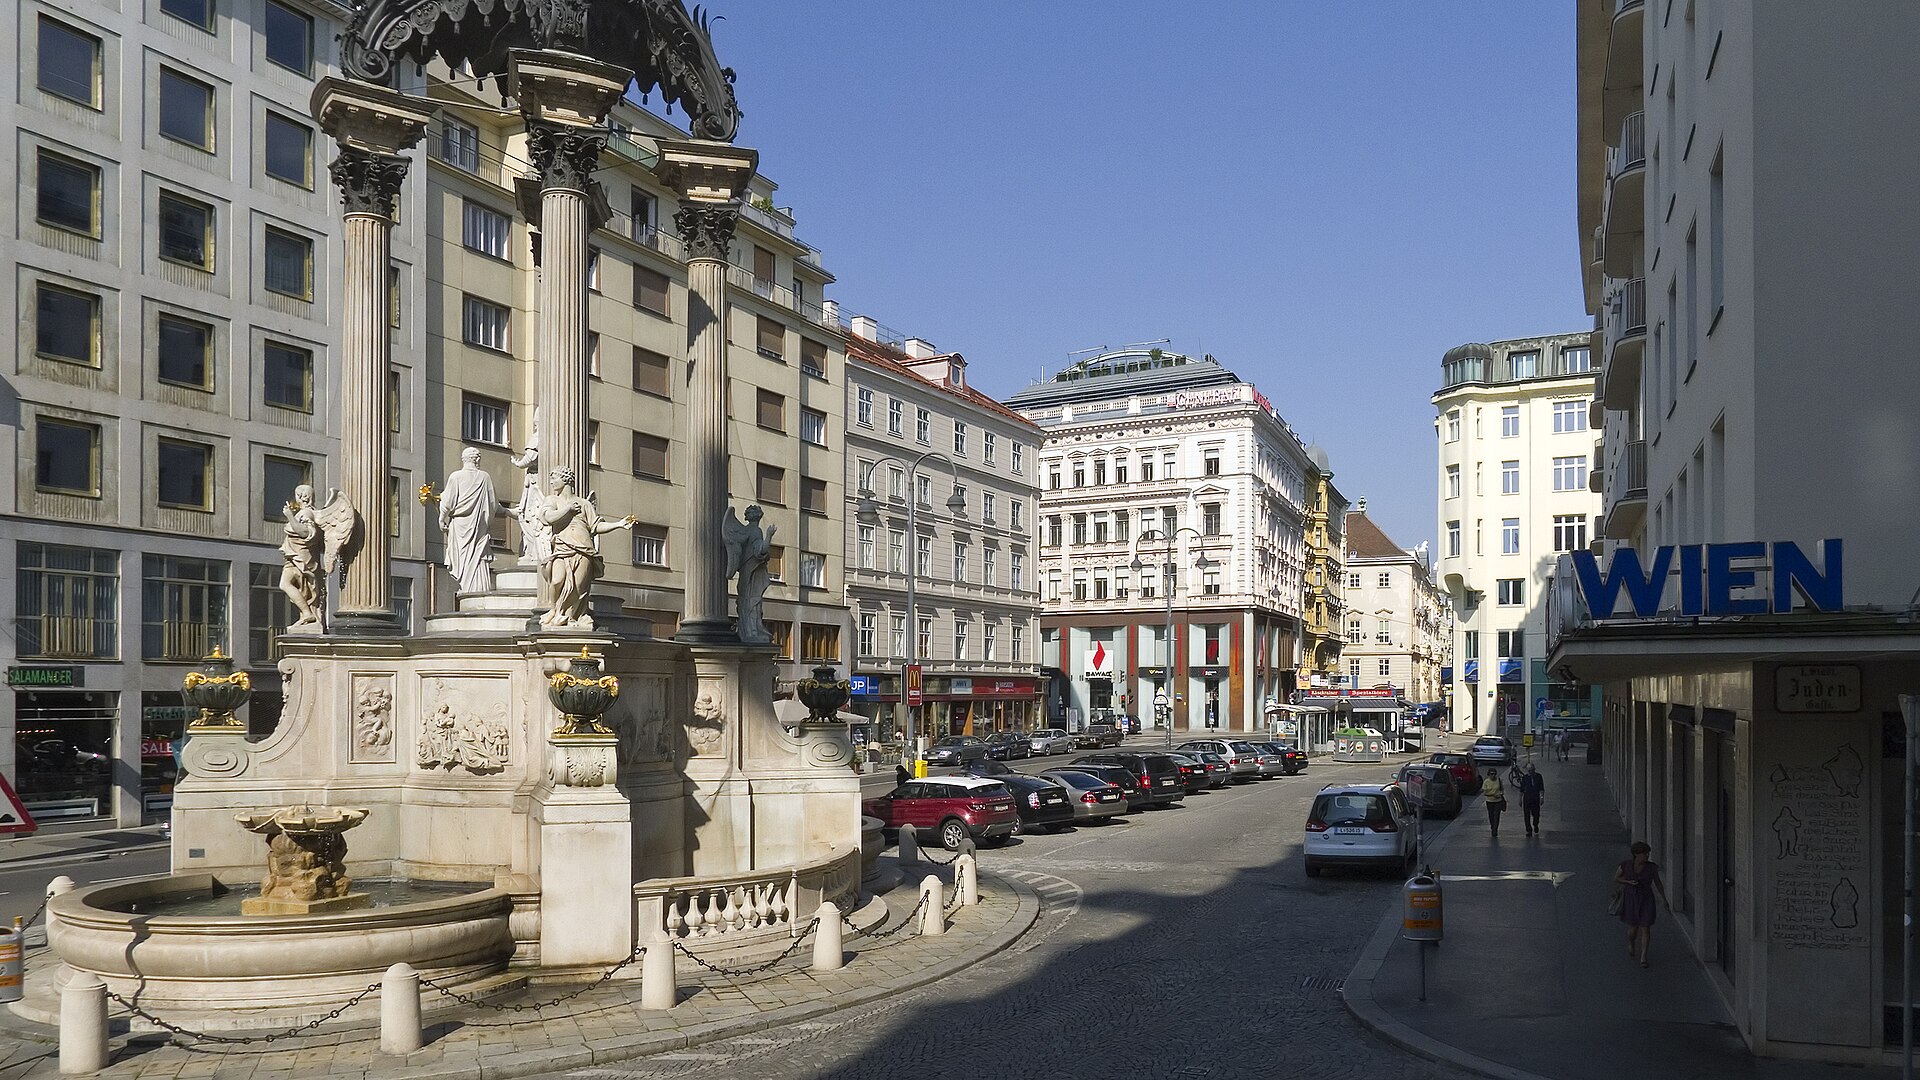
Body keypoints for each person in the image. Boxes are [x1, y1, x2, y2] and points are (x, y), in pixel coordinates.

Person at [439, 446, 499, 594]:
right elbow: (493, 504)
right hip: (479, 525)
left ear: (463, 459)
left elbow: (448, 502)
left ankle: (467, 589)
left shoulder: (456, 477)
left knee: (463, 559)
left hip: (460, 525)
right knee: (478, 556)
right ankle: (477, 589)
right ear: (477, 459)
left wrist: (441, 518)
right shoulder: (485, 477)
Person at [1615, 840, 1666, 967]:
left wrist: (1664, 899)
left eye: (1647, 853)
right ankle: (1631, 942)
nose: (1647, 856)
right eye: (1644, 853)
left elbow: (1658, 883)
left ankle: (1644, 956)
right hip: (1631, 899)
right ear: (1636, 854)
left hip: (1646, 899)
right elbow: (1617, 878)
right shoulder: (1626, 865)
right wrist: (1628, 882)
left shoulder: (1652, 868)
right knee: (1633, 929)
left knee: (1646, 927)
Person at [1515, 762, 1546, 836]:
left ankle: (1535, 824)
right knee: (1526, 815)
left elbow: (1541, 788)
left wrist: (1542, 797)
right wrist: (1520, 799)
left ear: (1534, 769)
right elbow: (1522, 789)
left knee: (1536, 814)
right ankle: (1528, 830)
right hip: (1527, 798)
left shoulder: (1538, 776)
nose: (1530, 772)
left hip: (1535, 798)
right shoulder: (1525, 778)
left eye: (1531, 770)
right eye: (1528, 770)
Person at [1481, 768, 1506, 839]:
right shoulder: (1486, 782)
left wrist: (1500, 794)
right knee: (1491, 815)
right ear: (1489, 774)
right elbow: (1484, 792)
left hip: (1498, 801)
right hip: (1489, 801)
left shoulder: (1499, 780)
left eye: (1495, 774)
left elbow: (1502, 790)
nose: (1493, 775)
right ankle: (1493, 826)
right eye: (1492, 774)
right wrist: (1492, 795)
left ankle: (1495, 830)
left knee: (1497, 815)